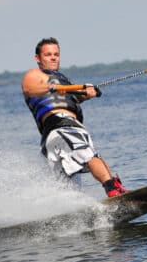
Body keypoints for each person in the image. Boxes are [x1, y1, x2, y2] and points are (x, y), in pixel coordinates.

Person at [21, 37, 127, 197]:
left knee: (68, 187)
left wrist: (87, 93)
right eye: (48, 54)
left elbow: (71, 98)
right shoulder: (35, 75)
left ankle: (70, 209)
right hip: (60, 126)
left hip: (58, 136)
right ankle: (112, 188)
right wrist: (54, 87)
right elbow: (30, 89)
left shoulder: (64, 80)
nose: (53, 58)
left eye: (56, 54)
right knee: (88, 155)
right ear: (38, 58)